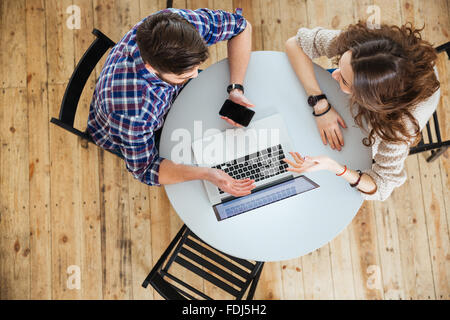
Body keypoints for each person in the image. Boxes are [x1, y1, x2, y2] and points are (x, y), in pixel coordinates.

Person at [87, 8, 256, 197]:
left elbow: (241, 27)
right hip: (142, 135)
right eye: (185, 74)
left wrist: (235, 88)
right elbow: (146, 169)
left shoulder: (176, 27)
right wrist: (208, 173)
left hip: (171, 101)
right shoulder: (130, 112)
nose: (195, 75)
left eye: (197, 67)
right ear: (151, 68)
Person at [283, 22, 440, 201]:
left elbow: (381, 185)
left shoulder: (398, 127)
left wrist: (336, 167)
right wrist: (320, 103)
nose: (333, 74)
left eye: (344, 80)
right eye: (341, 63)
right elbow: (295, 43)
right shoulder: (365, 50)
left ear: (369, 101)